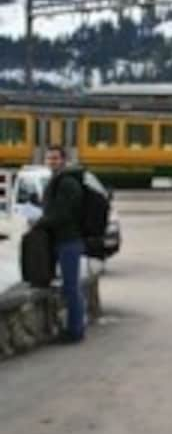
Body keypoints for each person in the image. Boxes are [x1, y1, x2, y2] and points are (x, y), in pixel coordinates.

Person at [37, 146, 85, 343]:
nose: (52, 162)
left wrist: (40, 222)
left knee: (71, 288)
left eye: (55, 159)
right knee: (68, 287)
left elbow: (63, 214)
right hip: (61, 239)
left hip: (68, 241)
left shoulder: (67, 182)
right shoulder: (58, 180)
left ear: (63, 160)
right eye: (49, 159)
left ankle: (75, 331)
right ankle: (71, 328)